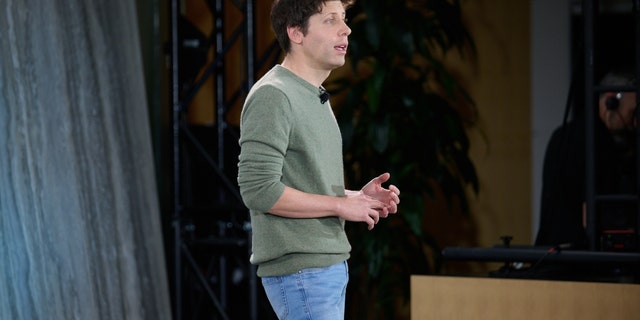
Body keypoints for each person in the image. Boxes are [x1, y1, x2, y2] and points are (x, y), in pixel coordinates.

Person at [236, 0, 401, 319]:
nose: (346, 29)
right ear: (296, 32)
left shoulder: (313, 94)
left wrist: (356, 198)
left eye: (344, 18)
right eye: (330, 20)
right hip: (302, 270)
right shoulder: (274, 95)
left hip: (325, 266)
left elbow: (299, 182)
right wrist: (340, 206)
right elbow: (259, 191)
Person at [535, 68, 637, 252]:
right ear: (611, 101)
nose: (633, 123)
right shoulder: (599, 143)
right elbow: (590, 215)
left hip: (551, 253)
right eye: (632, 113)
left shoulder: (561, 134)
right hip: (580, 262)